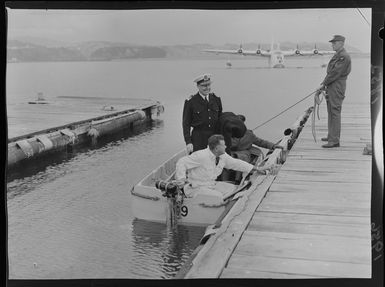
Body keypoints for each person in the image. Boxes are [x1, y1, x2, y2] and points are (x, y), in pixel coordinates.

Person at [175, 134, 275, 204]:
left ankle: (227, 208)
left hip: (211, 184)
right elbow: (181, 162)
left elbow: (237, 164)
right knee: (218, 197)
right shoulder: (201, 156)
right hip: (195, 188)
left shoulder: (223, 156)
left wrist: (257, 169)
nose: (226, 146)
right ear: (217, 148)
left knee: (235, 189)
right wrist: (181, 180)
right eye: (224, 145)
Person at [316, 35, 351, 148]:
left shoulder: (343, 56)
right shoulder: (338, 55)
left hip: (337, 86)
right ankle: (331, 135)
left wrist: (323, 84)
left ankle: (334, 140)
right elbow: (331, 73)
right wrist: (324, 85)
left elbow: (335, 73)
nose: (332, 45)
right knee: (331, 112)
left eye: (334, 43)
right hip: (332, 85)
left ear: (341, 43)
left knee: (335, 112)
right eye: (332, 43)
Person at [183, 74, 222, 154]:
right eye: (204, 85)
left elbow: (220, 119)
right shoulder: (191, 102)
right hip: (198, 139)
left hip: (214, 138)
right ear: (198, 86)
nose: (207, 88)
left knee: (215, 162)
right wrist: (188, 142)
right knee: (199, 163)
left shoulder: (216, 99)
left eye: (208, 85)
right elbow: (186, 124)